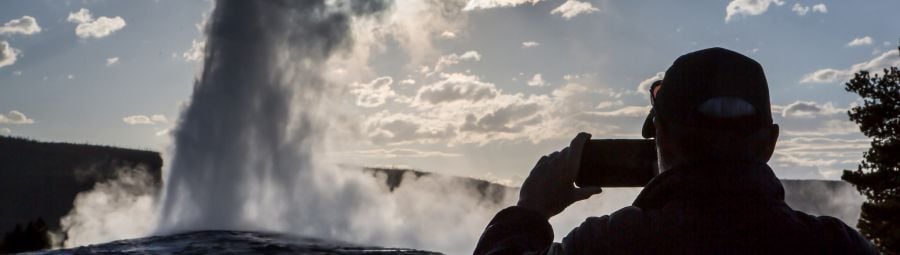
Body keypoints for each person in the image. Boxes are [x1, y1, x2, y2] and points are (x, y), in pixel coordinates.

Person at [474, 47, 876, 254]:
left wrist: (529, 212)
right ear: (769, 144)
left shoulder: (609, 245)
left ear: (660, 138)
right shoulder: (836, 247)